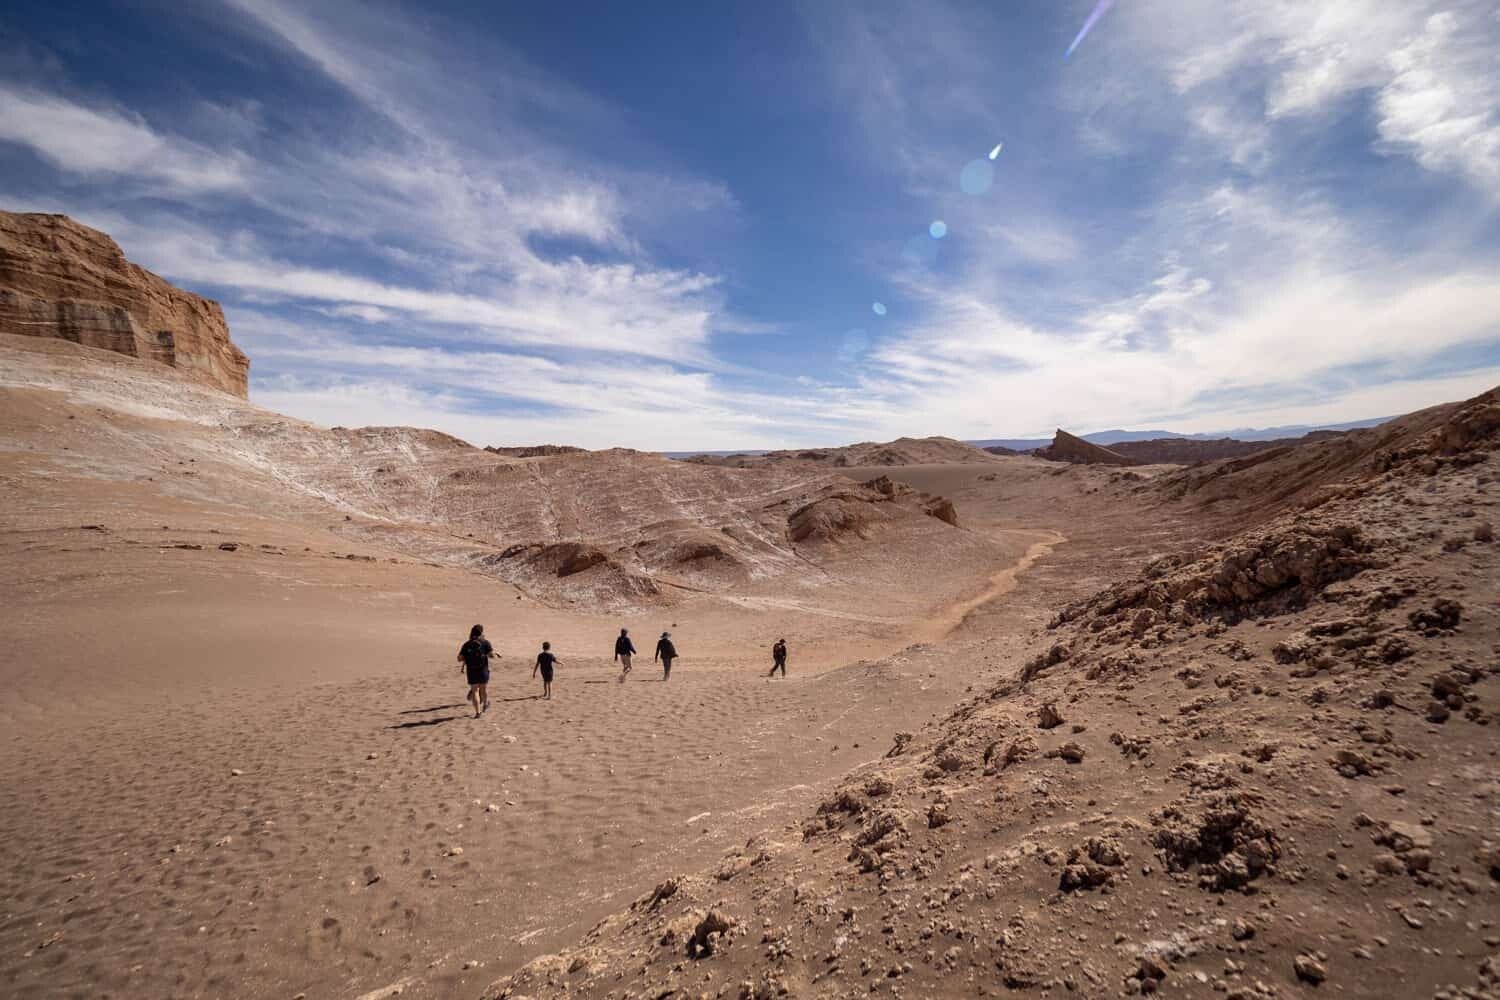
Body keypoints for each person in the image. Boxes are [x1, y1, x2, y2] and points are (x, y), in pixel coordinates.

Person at [457, 624, 493, 718]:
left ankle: (478, 712)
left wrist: (467, 657)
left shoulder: (467, 644)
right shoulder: (485, 642)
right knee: (483, 689)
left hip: (471, 671)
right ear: (481, 632)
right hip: (483, 670)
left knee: (475, 691)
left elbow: (459, 658)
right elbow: (491, 655)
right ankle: (485, 704)